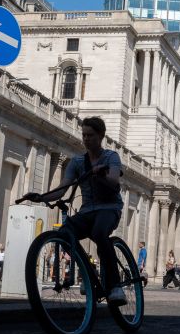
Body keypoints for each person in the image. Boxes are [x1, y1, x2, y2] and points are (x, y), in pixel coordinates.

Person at [24, 116, 126, 306]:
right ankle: (89, 275)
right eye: (84, 135)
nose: (86, 139)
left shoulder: (111, 157)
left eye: (91, 135)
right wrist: (41, 197)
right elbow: (62, 189)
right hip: (87, 210)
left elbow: (114, 183)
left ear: (101, 136)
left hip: (110, 208)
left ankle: (115, 286)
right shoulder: (77, 161)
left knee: (98, 233)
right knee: (64, 233)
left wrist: (101, 173)